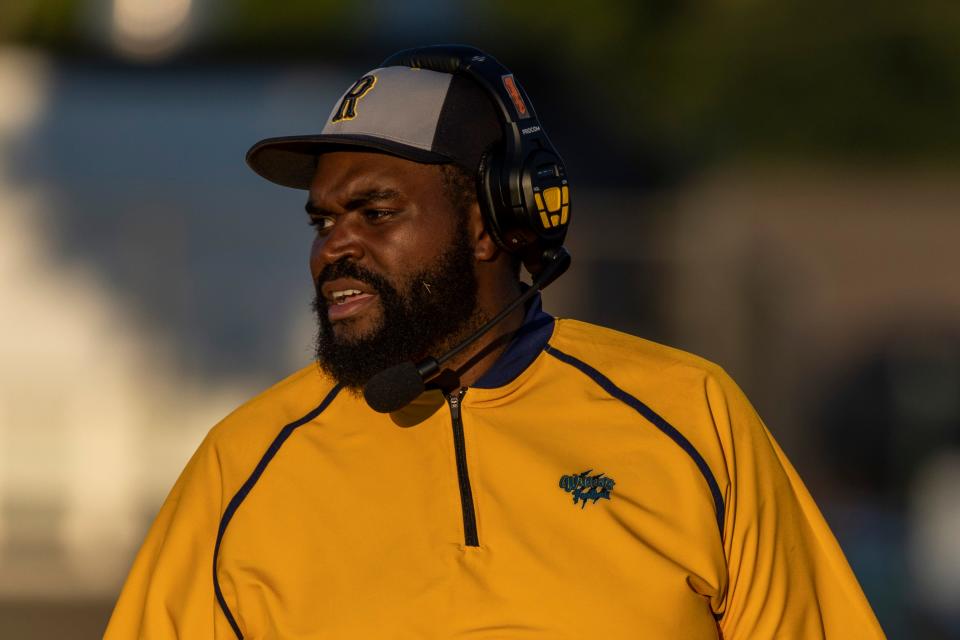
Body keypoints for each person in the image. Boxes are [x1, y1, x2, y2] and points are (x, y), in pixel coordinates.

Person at [105, 46, 885, 639]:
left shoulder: (692, 415)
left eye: (374, 212)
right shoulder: (242, 465)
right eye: (322, 220)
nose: (332, 247)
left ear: (490, 220)